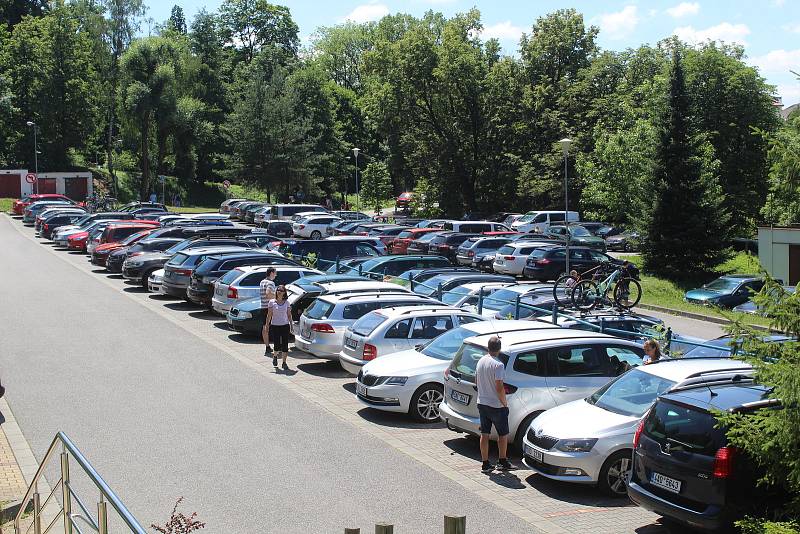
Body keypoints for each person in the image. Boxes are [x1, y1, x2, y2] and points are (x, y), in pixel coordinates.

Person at [476, 335, 511, 473]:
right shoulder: (499, 365)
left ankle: (485, 464)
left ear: (488, 347)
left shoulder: (481, 361)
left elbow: (476, 380)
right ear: (499, 349)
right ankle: (502, 461)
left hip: (482, 402)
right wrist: (505, 403)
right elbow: (499, 387)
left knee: (484, 434)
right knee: (503, 434)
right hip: (496, 405)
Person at [266, 285, 292, 369]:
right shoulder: (272, 302)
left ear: (284, 293)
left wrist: (291, 324)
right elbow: (269, 315)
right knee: (277, 344)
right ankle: (275, 356)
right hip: (275, 325)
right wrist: (267, 325)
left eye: (281, 290)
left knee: (285, 344)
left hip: (285, 325)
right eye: (278, 290)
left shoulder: (287, 302)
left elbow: (289, 315)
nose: (279, 292)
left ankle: (284, 362)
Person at [260, 267, 278, 355]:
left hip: (263, 307)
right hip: (270, 308)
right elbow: (268, 294)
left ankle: (267, 347)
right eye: (275, 273)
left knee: (265, 327)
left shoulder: (262, 282)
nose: (276, 275)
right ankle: (277, 346)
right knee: (276, 327)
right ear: (271, 273)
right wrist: (278, 296)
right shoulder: (271, 283)